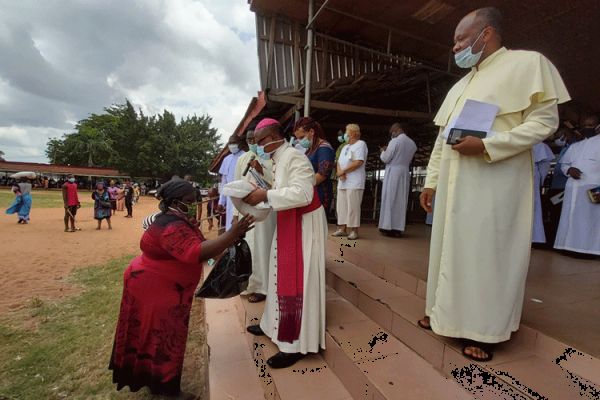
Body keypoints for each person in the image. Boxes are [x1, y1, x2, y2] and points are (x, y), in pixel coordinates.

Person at [417, 7, 569, 362]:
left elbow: (544, 122)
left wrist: (487, 146)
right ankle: (444, 315)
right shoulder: (461, 84)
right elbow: (443, 138)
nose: (455, 48)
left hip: (494, 179)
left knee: (488, 254)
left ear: (485, 34)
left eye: (460, 39)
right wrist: (431, 180)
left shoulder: (528, 64)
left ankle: (484, 331)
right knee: (448, 249)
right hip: (455, 182)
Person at [109, 178, 254, 396]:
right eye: (190, 200)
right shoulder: (170, 226)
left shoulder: (179, 219)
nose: (195, 203)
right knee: (164, 338)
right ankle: (166, 388)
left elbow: (205, 250)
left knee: (153, 336)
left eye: (196, 199)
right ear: (176, 201)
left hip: (159, 287)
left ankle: (153, 379)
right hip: (155, 290)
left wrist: (227, 251)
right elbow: (196, 252)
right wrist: (231, 234)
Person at [243, 118, 327, 369]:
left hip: (304, 223)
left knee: (298, 280)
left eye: (259, 142)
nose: (257, 147)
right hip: (290, 220)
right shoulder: (279, 158)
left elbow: (304, 193)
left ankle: (294, 343)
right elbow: (284, 186)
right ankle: (272, 325)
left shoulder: (295, 157)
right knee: (277, 273)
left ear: (270, 139)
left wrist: (265, 194)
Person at [233, 130, 277, 303]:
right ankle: (250, 285)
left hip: (268, 211)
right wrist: (236, 214)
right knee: (251, 248)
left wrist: (262, 170)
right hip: (248, 210)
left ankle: (264, 287)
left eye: (255, 139)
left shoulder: (271, 157)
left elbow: (277, 184)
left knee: (265, 247)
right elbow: (236, 186)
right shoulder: (243, 159)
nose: (253, 142)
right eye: (249, 140)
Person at [554, 117, 600, 256]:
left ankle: (590, 250)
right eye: (585, 124)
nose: (587, 127)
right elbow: (564, 164)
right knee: (570, 217)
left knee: (590, 219)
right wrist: (569, 170)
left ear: (598, 126)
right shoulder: (575, 146)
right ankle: (568, 247)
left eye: (591, 124)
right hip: (572, 187)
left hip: (593, 187)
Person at [378, 123, 417, 237]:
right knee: (401, 200)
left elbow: (386, 158)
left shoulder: (395, 141)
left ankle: (387, 226)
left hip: (393, 171)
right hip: (404, 172)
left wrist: (382, 151)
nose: (392, 134)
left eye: (392, 132)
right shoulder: (412, 143)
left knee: (390, 199)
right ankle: (398, 228)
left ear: (397, 130)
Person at [293, 117, 336, 217]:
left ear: (311, 131)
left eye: (301, 137)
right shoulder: (311, 149)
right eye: (298, 138)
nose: (299, 141)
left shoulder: (324, 148)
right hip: (311, 192)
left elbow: (322, 175)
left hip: (320, 194)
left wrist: (302, 185)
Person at [333, 124, 368, 240]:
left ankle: (354, 230)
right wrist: (340, 172)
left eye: (346, 132)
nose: (344, 135)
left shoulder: (360, 144)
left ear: (352, 133)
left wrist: (343, 171)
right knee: (341, 205)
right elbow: (338, 162)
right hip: (343, 181)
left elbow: (358, 162)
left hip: (354, 181)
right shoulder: (344, 147)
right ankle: (342, 229)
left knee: (353, 206)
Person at [218, 134, 246, 231]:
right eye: (230, 143)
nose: (232, 145)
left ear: (239, 143)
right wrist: (221, 202)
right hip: (230, 197)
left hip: (243, 195)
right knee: (230, 225)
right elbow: (224, 183)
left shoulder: (245, 156)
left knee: (242, 223)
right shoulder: (226, 159)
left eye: (234, 143)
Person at [532, 141, 555, 243]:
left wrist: (540, 180)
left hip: (531, 176)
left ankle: (534, 237)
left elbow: (544, 166)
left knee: (532, 206)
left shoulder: (538, 144)